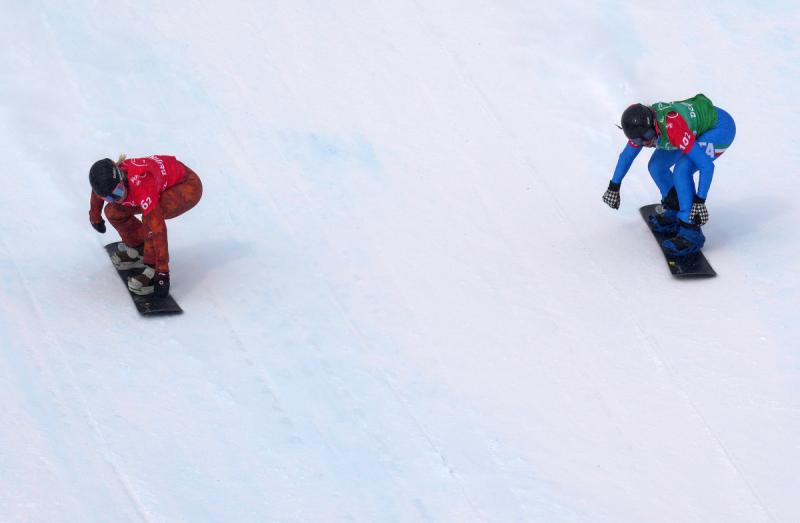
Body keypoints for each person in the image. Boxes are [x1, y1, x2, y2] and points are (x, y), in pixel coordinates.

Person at [602, 94, 736, 256]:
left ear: (654, 125)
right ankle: (675, 207)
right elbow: (626, 156)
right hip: (689, 129)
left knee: (682, 171)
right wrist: (614, 186)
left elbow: (706, 166)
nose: (645, 143)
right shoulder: (643, 130)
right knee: (656, 166)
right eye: (638, 141)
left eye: (648, 137)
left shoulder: (672, 128)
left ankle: (691, 230)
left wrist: (700, 201)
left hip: (719, 128)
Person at [89, 155, 203, 298]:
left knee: (151, 219)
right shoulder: (109, 184)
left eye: (118, 192)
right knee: (113, 211)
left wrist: (162, 272)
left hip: (187, 185)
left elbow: (157, 228)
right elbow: (97, 191)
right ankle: (138, 249)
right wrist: (95, 217)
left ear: (121, 178)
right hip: (157, 184)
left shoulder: (141, 184)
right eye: (108, 198)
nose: (118, 199)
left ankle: (151, 267)